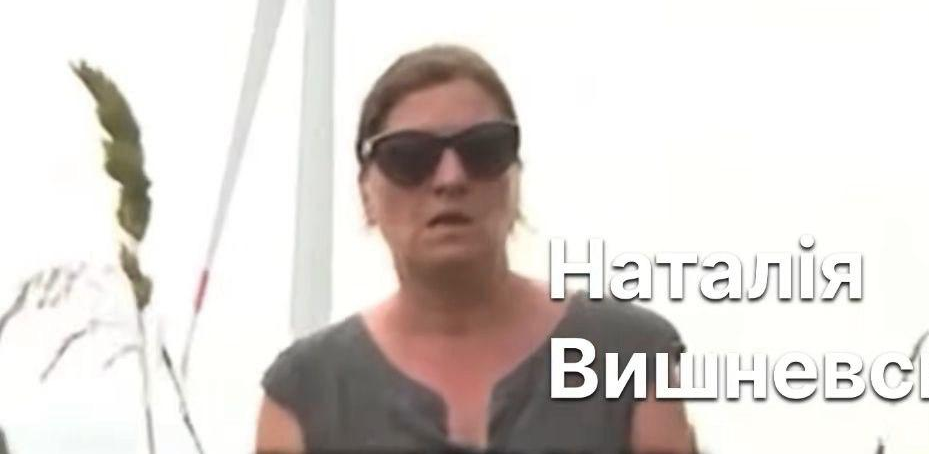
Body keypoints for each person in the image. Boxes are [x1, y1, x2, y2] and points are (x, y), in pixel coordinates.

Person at [255, 44, 697, 453]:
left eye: (484, 150)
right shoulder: (305, 395)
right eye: (409, 157)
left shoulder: (629, 355)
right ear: (366, 192)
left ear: (516, 176)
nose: (451, 179)